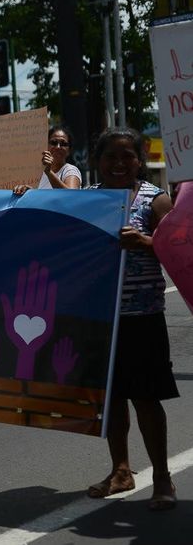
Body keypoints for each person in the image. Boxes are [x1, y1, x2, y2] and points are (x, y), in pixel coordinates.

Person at [85, 127, 178, 511]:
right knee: (112, 398)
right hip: (99, 319)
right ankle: (120, 470)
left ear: (140, 160)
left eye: (128, 156)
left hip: (143, 318)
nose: (119, 163)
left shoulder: (156, 201)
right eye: (111, 156)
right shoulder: (85, 200)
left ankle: (162, 477)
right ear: (98, 161)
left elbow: (180, 254)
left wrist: (146, 243)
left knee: (146, 399)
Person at [14, 126, 82, 195]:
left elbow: (72, 196)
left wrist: (49, 172)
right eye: (54, 143)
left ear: (69, 151)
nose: (58, 147)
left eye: (63, 144)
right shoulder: (40, 173)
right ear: (46, 146)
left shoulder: (70, 170)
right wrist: (29, 192)